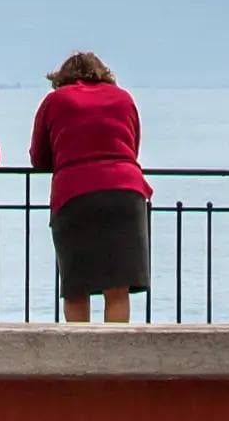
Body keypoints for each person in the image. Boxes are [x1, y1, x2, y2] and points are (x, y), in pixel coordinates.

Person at [30, 52, 152, 323]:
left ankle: (79, 360)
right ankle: (114, 359)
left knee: (76, 287)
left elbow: (39, 157)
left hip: (74, 195)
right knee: (118, 288)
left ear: (62, 79)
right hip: (125, 191)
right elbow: (132, 146)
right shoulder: (123, 98)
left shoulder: (55, 101)